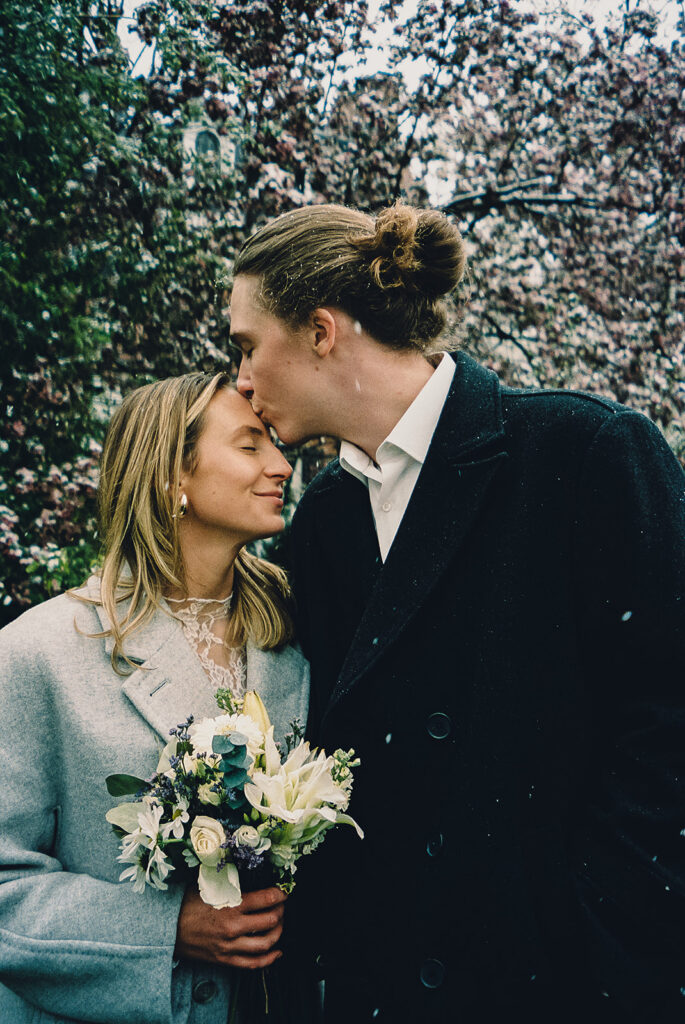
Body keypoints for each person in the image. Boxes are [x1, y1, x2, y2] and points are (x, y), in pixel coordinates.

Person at [229, 202, 685, 1023]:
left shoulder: (586, 453)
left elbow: (666, 725)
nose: (242, 379)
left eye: (247, 345)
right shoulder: (324, 524)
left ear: (321, 331)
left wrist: (596, 941)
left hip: (560, 986)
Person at [0, 373, 311, 1024]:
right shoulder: (38, 653)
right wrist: (164, 926)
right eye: (250, 446)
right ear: (174, 476)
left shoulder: (300, 641)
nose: (281, 464)